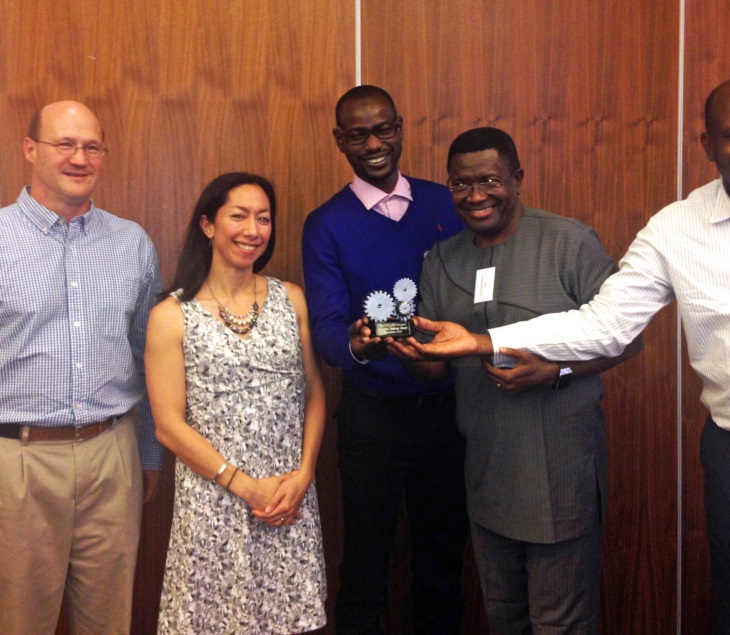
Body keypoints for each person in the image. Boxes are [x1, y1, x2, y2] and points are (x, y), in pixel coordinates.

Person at [404, 78, 730, 634]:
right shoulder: (676, 230)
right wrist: (482, 342)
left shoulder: (566, 241)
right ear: (708, 144)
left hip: (568, 472)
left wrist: (536, 363)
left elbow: (612, 339)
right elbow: (608, 323)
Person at [390, 127, 641, 633]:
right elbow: (435, 367)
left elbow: (626, 338)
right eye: (461, 185)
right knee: (505, 621)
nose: (476, 196)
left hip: (560, 472)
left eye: (489, 180)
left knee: (559, 625)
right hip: (487, 476)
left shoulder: (570, 243)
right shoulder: (442, 259)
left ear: (518, 179)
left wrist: (556, 371)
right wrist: (409, 352)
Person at [301, 85, 468, 634]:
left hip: (450, 411)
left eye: (383, 129)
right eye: (357, 134)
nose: (374, 143)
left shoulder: (445, 203)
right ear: (339, 140)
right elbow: (325, 330)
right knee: (366, 564)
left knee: (443, 563)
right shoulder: (326, 224)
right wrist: (355, 343)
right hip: (373, 414)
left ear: (400, 126)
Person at [0, 100, 163, 634]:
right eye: (64, 144)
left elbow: (146, 358)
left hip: (111, 456)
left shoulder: (131, 244)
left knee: (109, 621)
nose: (79, 158)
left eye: (92, 146)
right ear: (29, 150)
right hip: (17, 463)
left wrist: (145, 453)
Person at [145, 172, 327, 633]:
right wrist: (245, 487)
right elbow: (168, 425)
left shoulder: (293, 299)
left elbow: (314, 393)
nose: (253, 230)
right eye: (239, 216)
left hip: (288, 502)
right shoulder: (171, 315)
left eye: (263, 219)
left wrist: (304, 474)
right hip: (213, 503)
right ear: (208, 225)